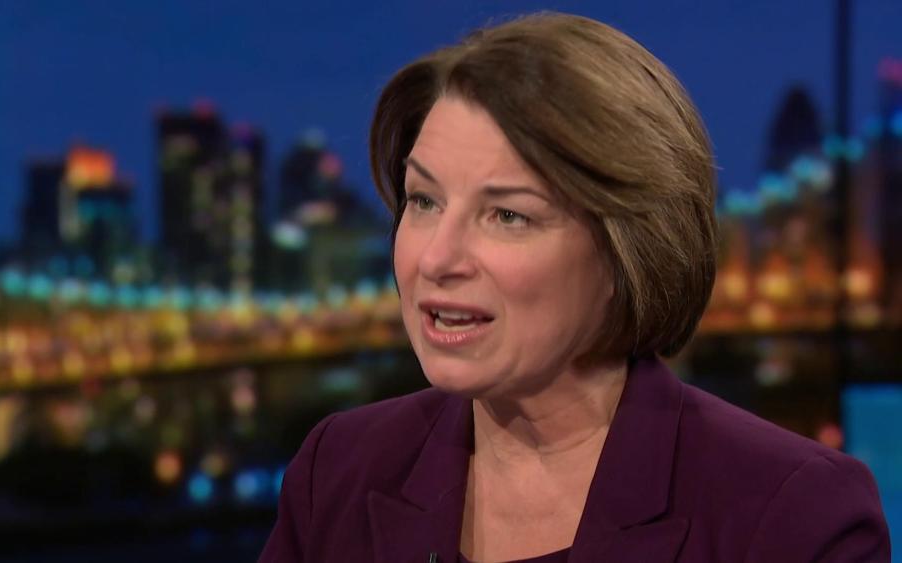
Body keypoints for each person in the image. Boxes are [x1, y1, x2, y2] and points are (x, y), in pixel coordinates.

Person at [259, 12, 891, 562]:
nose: (437, 257)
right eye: (424, 200)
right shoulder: (337, 470)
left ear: (627, 249)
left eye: (508, 215)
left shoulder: (793, 516)